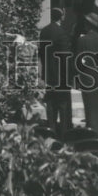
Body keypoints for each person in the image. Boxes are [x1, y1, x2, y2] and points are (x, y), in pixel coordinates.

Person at [74, 11, 98, 136]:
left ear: (88, 25)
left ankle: (91, 130)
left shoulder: (82, 40)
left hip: (87, 78)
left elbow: (78, 62)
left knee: (89, 106)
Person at [37, 8, 73, 137]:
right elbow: (65, 56)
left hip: (48, 72)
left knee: (51, 104)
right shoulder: (61, 33)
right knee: (63, 105)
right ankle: (63, 134)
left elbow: (41, 52)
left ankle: (51, 131)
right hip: (60, 74)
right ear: (61, 17)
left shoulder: (44, 31)